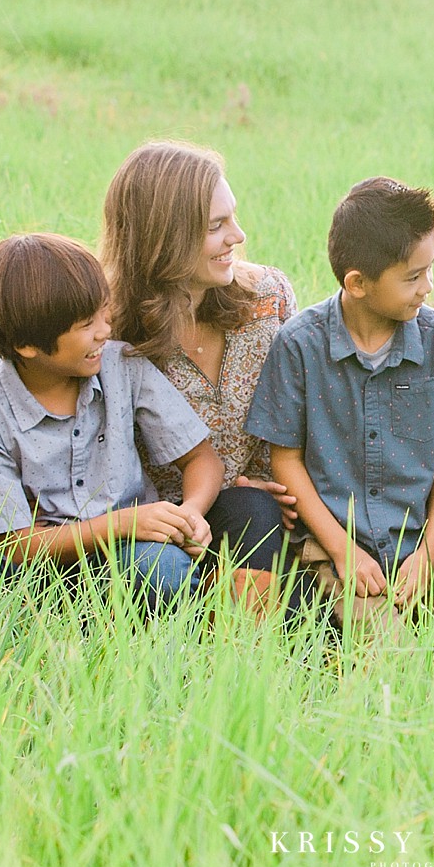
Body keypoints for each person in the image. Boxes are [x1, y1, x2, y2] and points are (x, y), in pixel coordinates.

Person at [245, 177, 434, 621]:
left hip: (424, 539)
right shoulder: (299, 345)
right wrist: (342, 551)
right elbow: (285, 458)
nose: (428, 287)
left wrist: (430, 552)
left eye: (430, 269)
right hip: (340, 545)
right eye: (414, 277)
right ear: (358, 283)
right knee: (385, 645)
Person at [0, 233, 234, 610]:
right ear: (28, 346)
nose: (105, 330)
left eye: (104, 311)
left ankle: (144, 621)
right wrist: (123, 523)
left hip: (126, 554)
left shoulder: (123, 365)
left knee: (160, 567)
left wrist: (189, 514)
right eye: (86, 323)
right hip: (35, 562)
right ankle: (51, 621)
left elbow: (201, 458)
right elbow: (15, 546)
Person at [99, 140, 311, 612]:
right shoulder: (110, 334)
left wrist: (267, 476)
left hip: (276, 509)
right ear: (164, 237)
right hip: (166, 527)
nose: (238, 236)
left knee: (256, 514)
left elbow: (306, 412)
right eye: (217, 226)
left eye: (232, 217)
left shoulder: (268, 299)